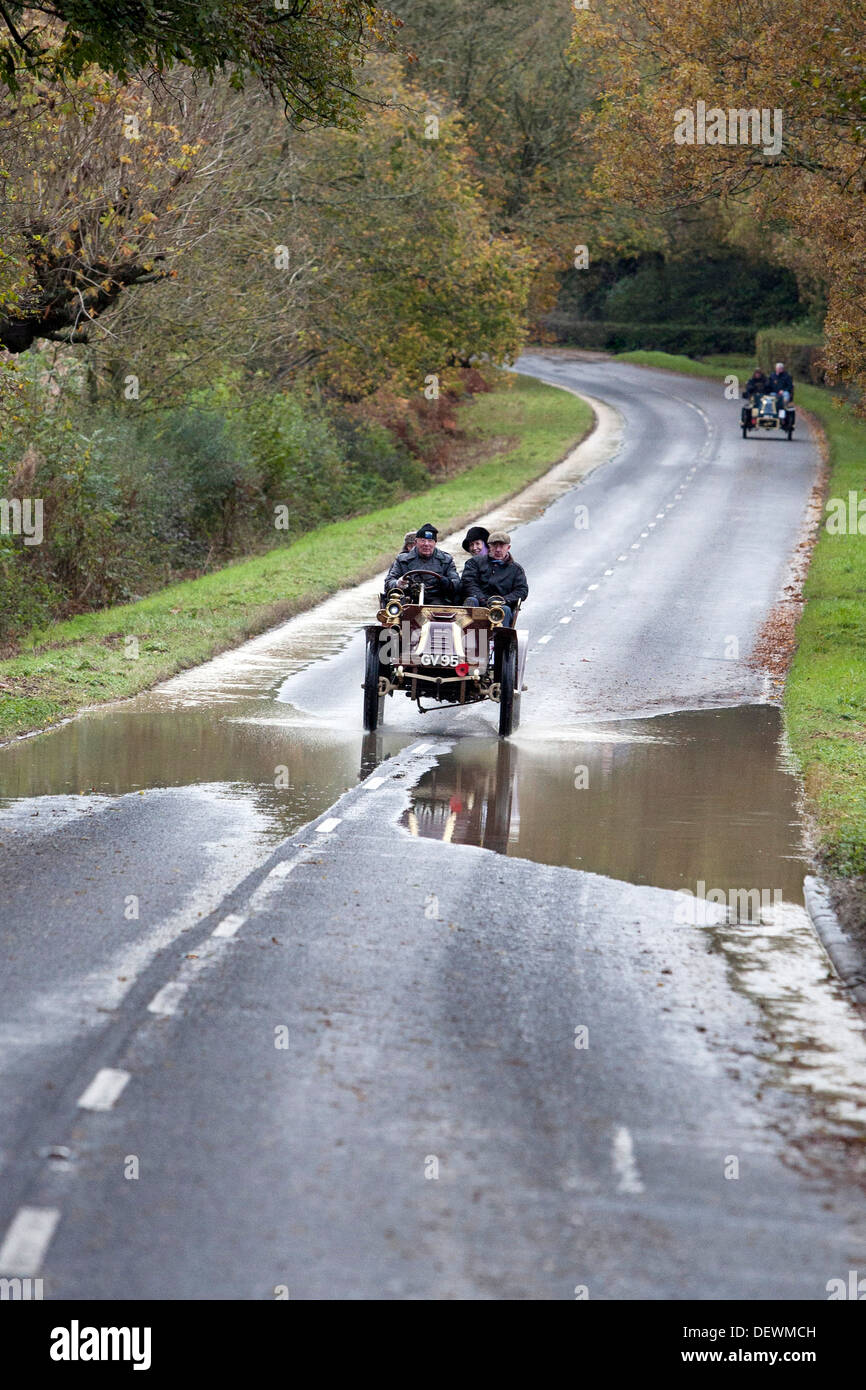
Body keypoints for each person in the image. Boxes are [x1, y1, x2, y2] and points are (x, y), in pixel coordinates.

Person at [461, 530, 528, 626]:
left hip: (502, 606)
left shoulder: (516, 570)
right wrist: (484, 600)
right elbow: (468, 583)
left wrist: (502, 600)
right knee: (471, 601)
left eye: (501, 546)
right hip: (480, 603)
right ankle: (467, 634)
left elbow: (522, 591)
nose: (498, 549)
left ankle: (500, 638)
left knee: (505, 610)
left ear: (508, 547)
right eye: (495, 546)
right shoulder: (474, 563)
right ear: (489, 547)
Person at [384, 523, 460, 603]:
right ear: (416, 542)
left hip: (438, 602)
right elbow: (388, 582)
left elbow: (457, 583)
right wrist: (398, 583)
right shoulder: (402, 560)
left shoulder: (446, 560)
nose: (426, 544)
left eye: (430, 541)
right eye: (423, 541)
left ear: (435, 543)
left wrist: (448, 583)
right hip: (408, 601)